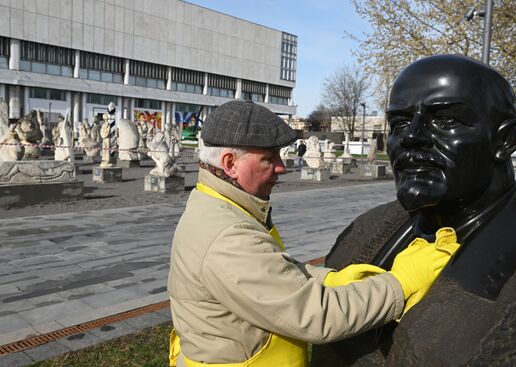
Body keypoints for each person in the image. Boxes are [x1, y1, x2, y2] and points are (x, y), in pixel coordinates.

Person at [167, 100, 460, 367]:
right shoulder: (227, 235)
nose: (281, 167)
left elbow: (270, 270)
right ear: (231, 163)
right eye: (269, 158)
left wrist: (330, 279)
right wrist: (402, 283)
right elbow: (317, 317)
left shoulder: (218, 204)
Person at [312, 55, 516, 366]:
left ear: (505, 140)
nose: (411, 136)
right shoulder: (367, 227)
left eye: (445, 120)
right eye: (399, 123)